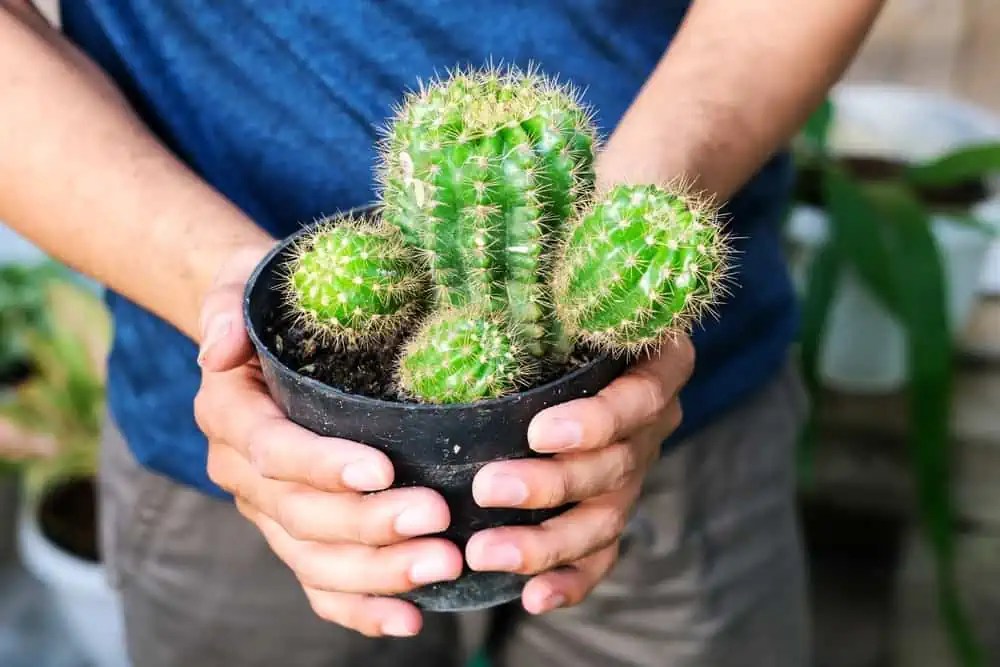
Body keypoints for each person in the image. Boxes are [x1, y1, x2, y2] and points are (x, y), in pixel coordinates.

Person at [0, 1, 885, 665]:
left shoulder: (633, 269)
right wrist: (221, 294)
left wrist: (622, 227)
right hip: (246, 453)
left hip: (683, 419)